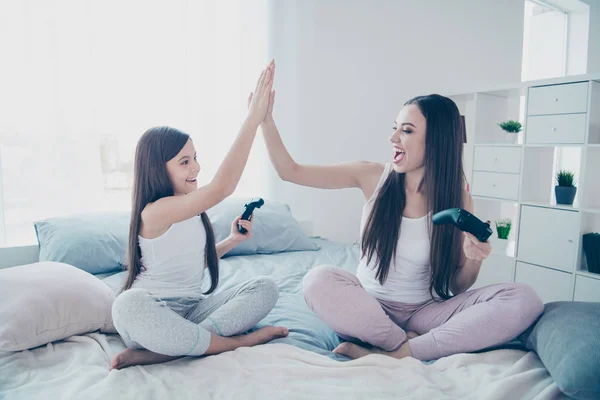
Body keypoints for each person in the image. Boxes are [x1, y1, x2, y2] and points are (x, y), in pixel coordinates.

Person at [257, 67, 543, 361]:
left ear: (436, 142)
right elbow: (289, 171)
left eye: (406, 130)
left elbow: (458, 286)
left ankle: (398, 352)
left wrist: (473, 258)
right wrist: (265, 120)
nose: (393, 137)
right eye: (395, 127)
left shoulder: (458, 198)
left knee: (524, 299)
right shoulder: (371, 176)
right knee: (317, 279)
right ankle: (401, 346)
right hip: (369, 309)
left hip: (426, 312)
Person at [110, 61, 288, 370]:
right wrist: (253, 119)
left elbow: (190, 262)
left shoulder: (190, 207)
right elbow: (223, 187)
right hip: (153, 313)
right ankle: (237, 342)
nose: (195, 168)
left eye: (195, 158)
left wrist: (232, 241)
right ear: (157, 168)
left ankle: (170, 351)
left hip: (192, 312)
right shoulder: (155, 211)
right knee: (126, 304)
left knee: (265, 287)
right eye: (184, 162)